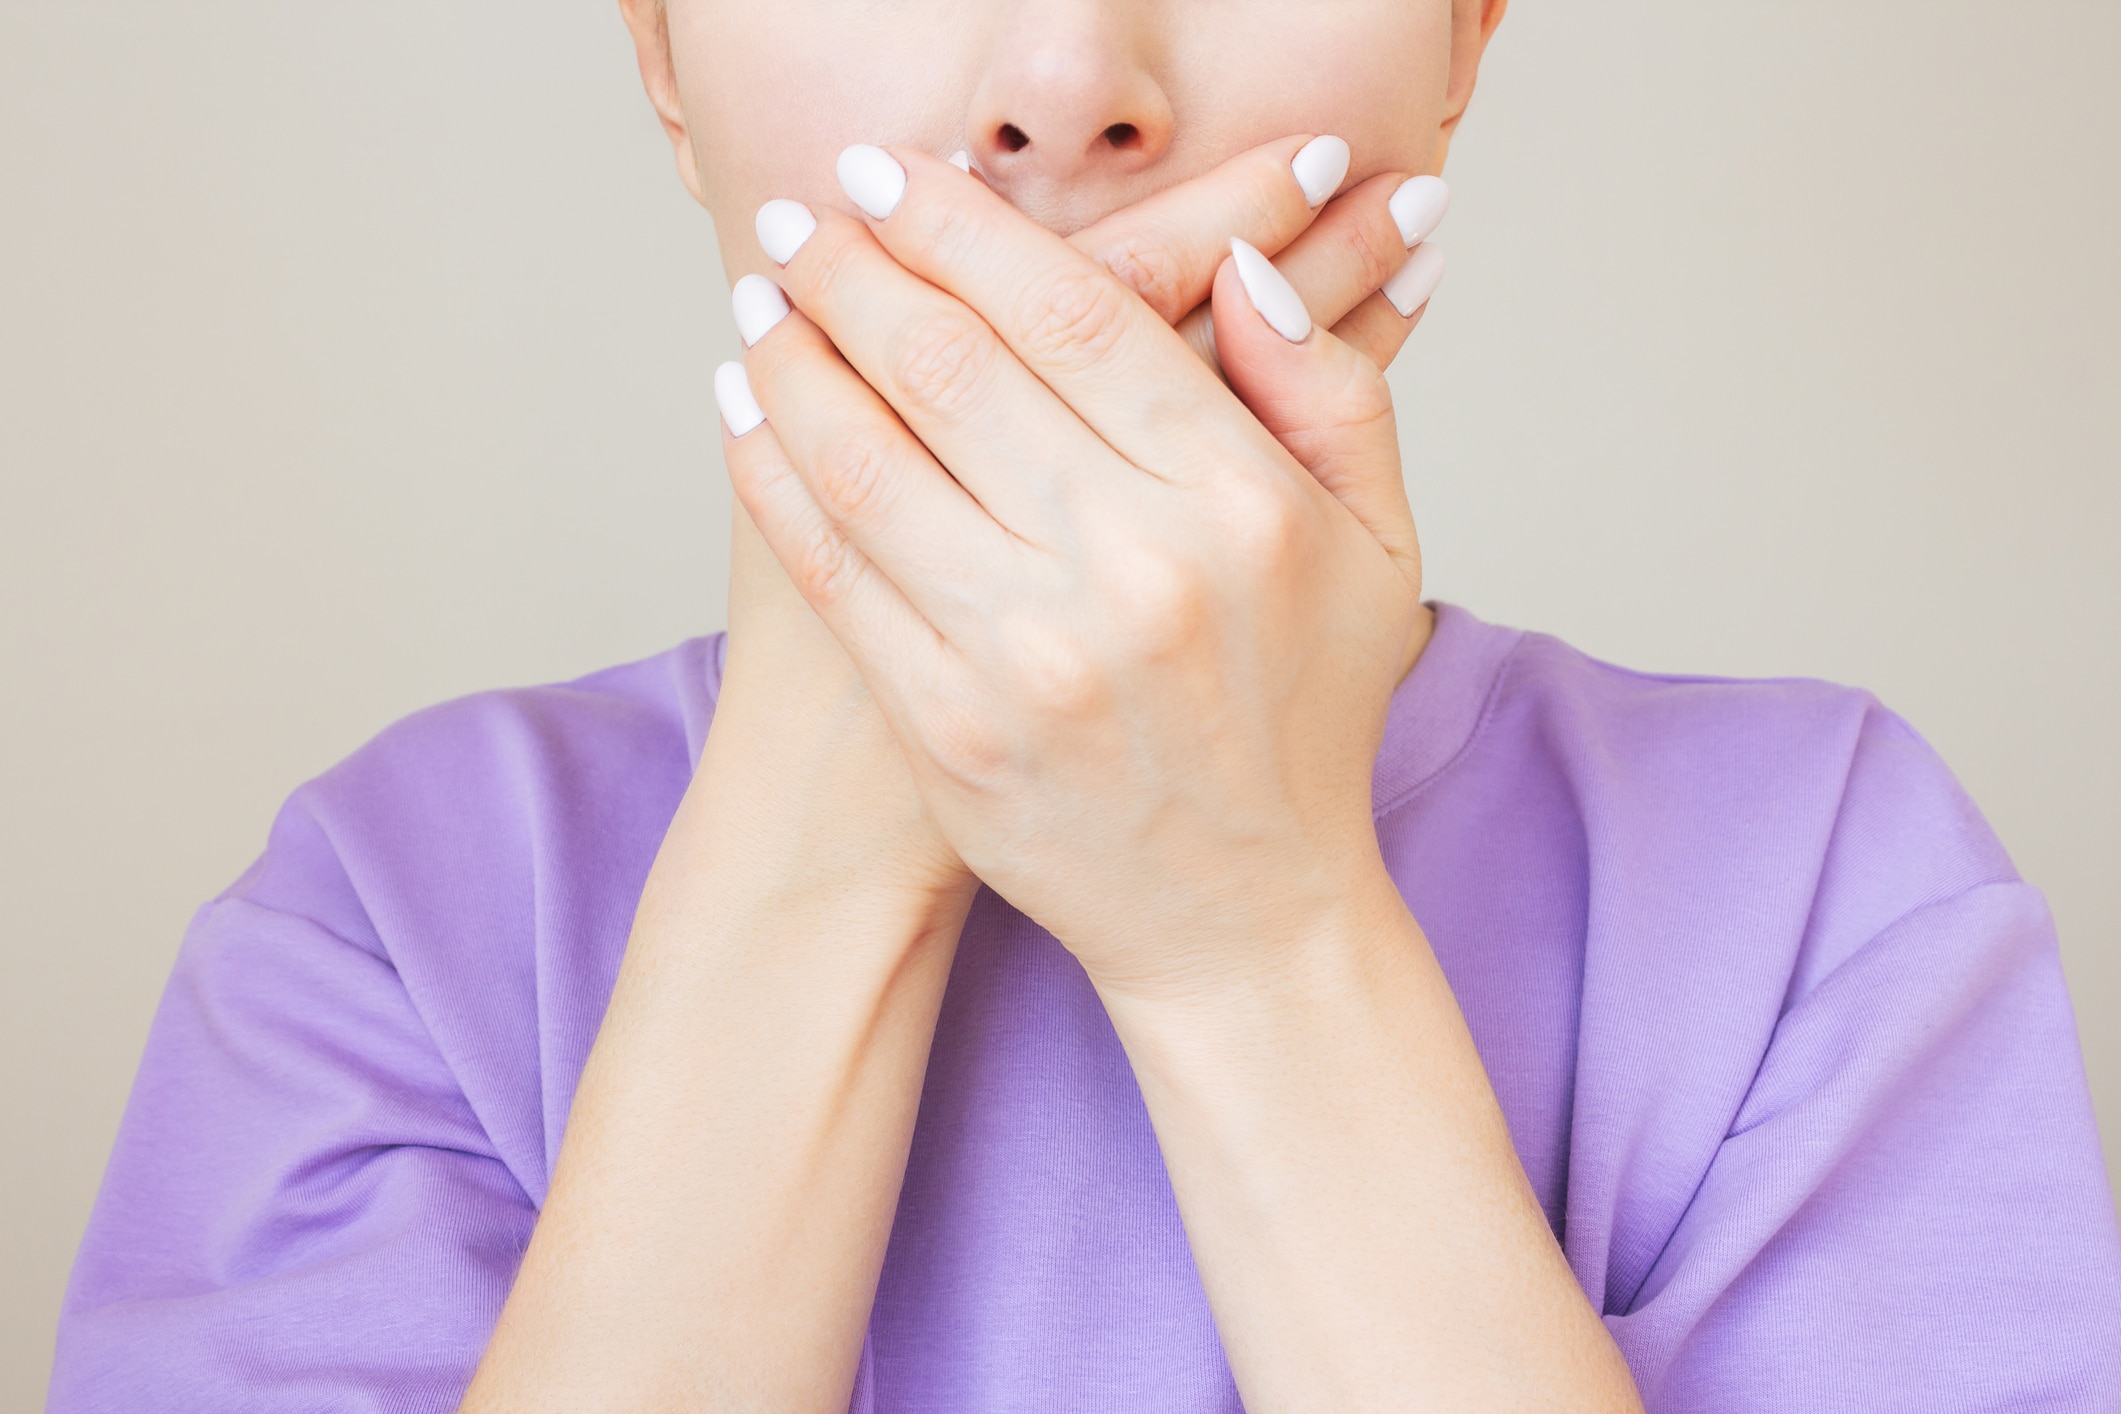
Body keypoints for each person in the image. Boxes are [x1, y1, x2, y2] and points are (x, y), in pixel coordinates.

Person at [48, 0, 2121, 1409]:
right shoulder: (377, 924)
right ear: (660, 48)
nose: (1066, 84)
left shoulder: (1823, 892)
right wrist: (817, 831)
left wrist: (1258, 930)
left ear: (1471, 16)